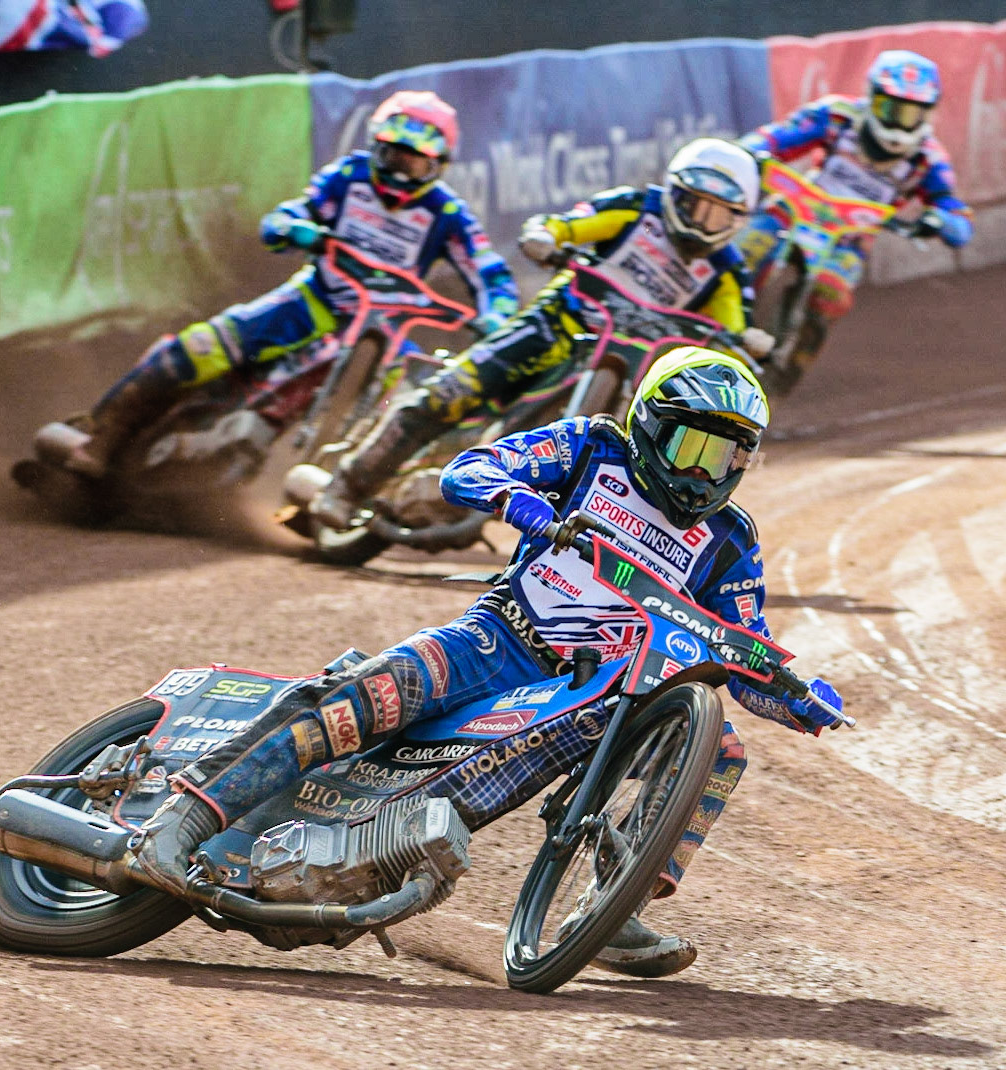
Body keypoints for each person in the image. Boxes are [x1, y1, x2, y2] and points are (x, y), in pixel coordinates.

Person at [137, 346, 846, 977]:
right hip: (498, 639)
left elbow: (740, 644)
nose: (705, 472)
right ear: (651, 426)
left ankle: (615, 901)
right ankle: (182, 819)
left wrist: (794, 697)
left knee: (719, 748)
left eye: (727, 457)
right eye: (693, 446)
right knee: (369, 695)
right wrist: (523, 505)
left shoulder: (729, 539)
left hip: (595, 692)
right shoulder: (590, 448)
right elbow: (468, 469)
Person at [308, 137, 775, 531]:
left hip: (630, 363)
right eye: (694, 205)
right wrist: (546, 236)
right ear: (674, 193)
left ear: (736, 220)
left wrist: (746, 340)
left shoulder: (726, 271)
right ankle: (346, 485)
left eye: (717, 215)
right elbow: (570, 224)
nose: (700, 221)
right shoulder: (635, 209)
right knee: (453, 391)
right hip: (553, 325)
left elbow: (733, 326)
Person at [65, 90, 519, 478]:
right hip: (313, 299)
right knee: (198, 348)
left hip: (385, 329)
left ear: (438, 165)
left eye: (416, 163)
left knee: (403, 405)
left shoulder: (448, 213)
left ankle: (335, 485)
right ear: (376, 148)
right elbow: (291, 213)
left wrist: (498, 311)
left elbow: (488, 267)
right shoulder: (348, 177)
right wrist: (293, 227)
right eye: (394, 155)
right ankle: (101, 435)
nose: (401, 172)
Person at [735, 49, 974, 392]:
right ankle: (708, 316)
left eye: (911, 112)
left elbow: (951, 206)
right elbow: (777, 137)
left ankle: (788, 371)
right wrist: (750, 152)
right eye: (890, 108)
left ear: (929, 112)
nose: (898, 121)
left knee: (831, 295)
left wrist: (944, 222)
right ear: (872, 98)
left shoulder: (928, 158)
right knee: (747, 248)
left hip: (850, 237)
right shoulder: (837, 115)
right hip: (796, 207)